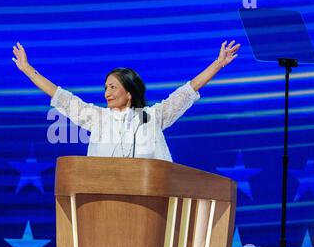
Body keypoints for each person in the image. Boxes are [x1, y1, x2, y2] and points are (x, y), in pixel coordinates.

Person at [12, 41, 240, 162]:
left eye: (113, 87)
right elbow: (61, 97)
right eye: (105, 88)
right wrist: (28, 70)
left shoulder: (151, 117)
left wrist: (218, 64)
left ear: (129, 93)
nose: (106, 93)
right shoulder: (97, 118)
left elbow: (187, 91)